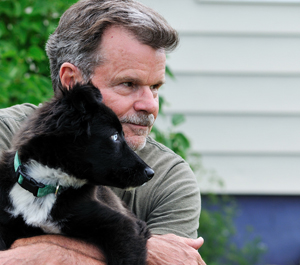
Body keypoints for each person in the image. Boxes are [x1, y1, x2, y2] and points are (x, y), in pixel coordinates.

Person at [0, 0, 206, 264]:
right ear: (72, 83)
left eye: (155, 87)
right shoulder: (7, 134)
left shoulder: (167, 178)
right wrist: (144, 249)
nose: (150, 105)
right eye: (129, 83)